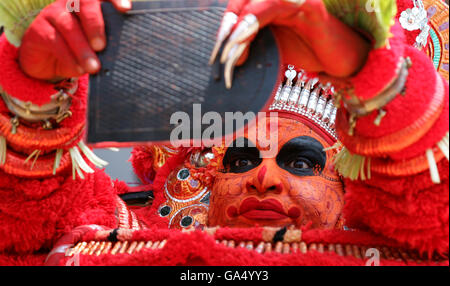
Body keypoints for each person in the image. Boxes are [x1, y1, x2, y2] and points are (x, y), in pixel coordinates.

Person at [0, 0, 448, 266]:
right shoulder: (120, 242)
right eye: (240, 160)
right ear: (202, 187)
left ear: (353, 190)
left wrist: (364, 70)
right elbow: (27, 220)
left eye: (302, 162)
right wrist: (36, 88)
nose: (263, 179)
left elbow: (431, 217)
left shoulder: (398, 250)